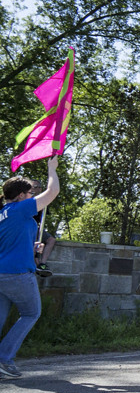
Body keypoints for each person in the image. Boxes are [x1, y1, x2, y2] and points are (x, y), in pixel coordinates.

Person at [0, 157, 59, 379]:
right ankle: (4, 359)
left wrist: (31, 245)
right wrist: (51, 169)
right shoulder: (20, 208)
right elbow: (52, 192)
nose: (32, 196)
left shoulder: (3, 214)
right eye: (29, 193)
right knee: (31, 312)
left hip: (2, 273)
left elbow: (6, 243)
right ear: (20, 195)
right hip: (17, 274)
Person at [27, 180, 55, 277]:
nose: (36, 189)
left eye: (38, 187)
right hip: (27, 228)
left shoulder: (43, 202)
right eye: (34, 187)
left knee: (51, 240)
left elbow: (42, 219)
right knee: (34, 245)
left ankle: (42, 263)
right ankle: (37, 265)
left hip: (37, 228)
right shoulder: (27, 200)